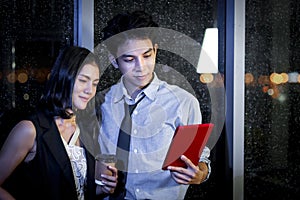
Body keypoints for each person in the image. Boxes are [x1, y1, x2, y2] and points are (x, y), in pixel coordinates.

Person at [97, 11, 211, 199]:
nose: (141, 66)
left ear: (155, 51)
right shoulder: (101, 102)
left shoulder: (183, 102)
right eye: (129, 59)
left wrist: (201, 173)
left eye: (147, 55)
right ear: (113, 61)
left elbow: (200, 158)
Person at [0, 46, 118, 200]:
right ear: (64, 77)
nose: (90, 90)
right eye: (83, 80)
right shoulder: (30, 130)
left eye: (95, 83)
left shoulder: (86, 129)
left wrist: (103, 189)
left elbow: (79, 192)